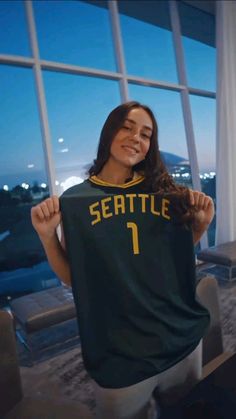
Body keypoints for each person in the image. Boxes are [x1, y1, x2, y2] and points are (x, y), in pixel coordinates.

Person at [31, 101, 214, 419]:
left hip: (180, 336)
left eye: (145, 134)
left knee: (188, 412)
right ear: (109, 132)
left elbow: (168, 262)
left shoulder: (166, 194)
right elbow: (76, 278)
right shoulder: (76, 202)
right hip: (120, 352)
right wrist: (47, 236)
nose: (135, 138)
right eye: (127, 127)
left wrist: (198, 227)